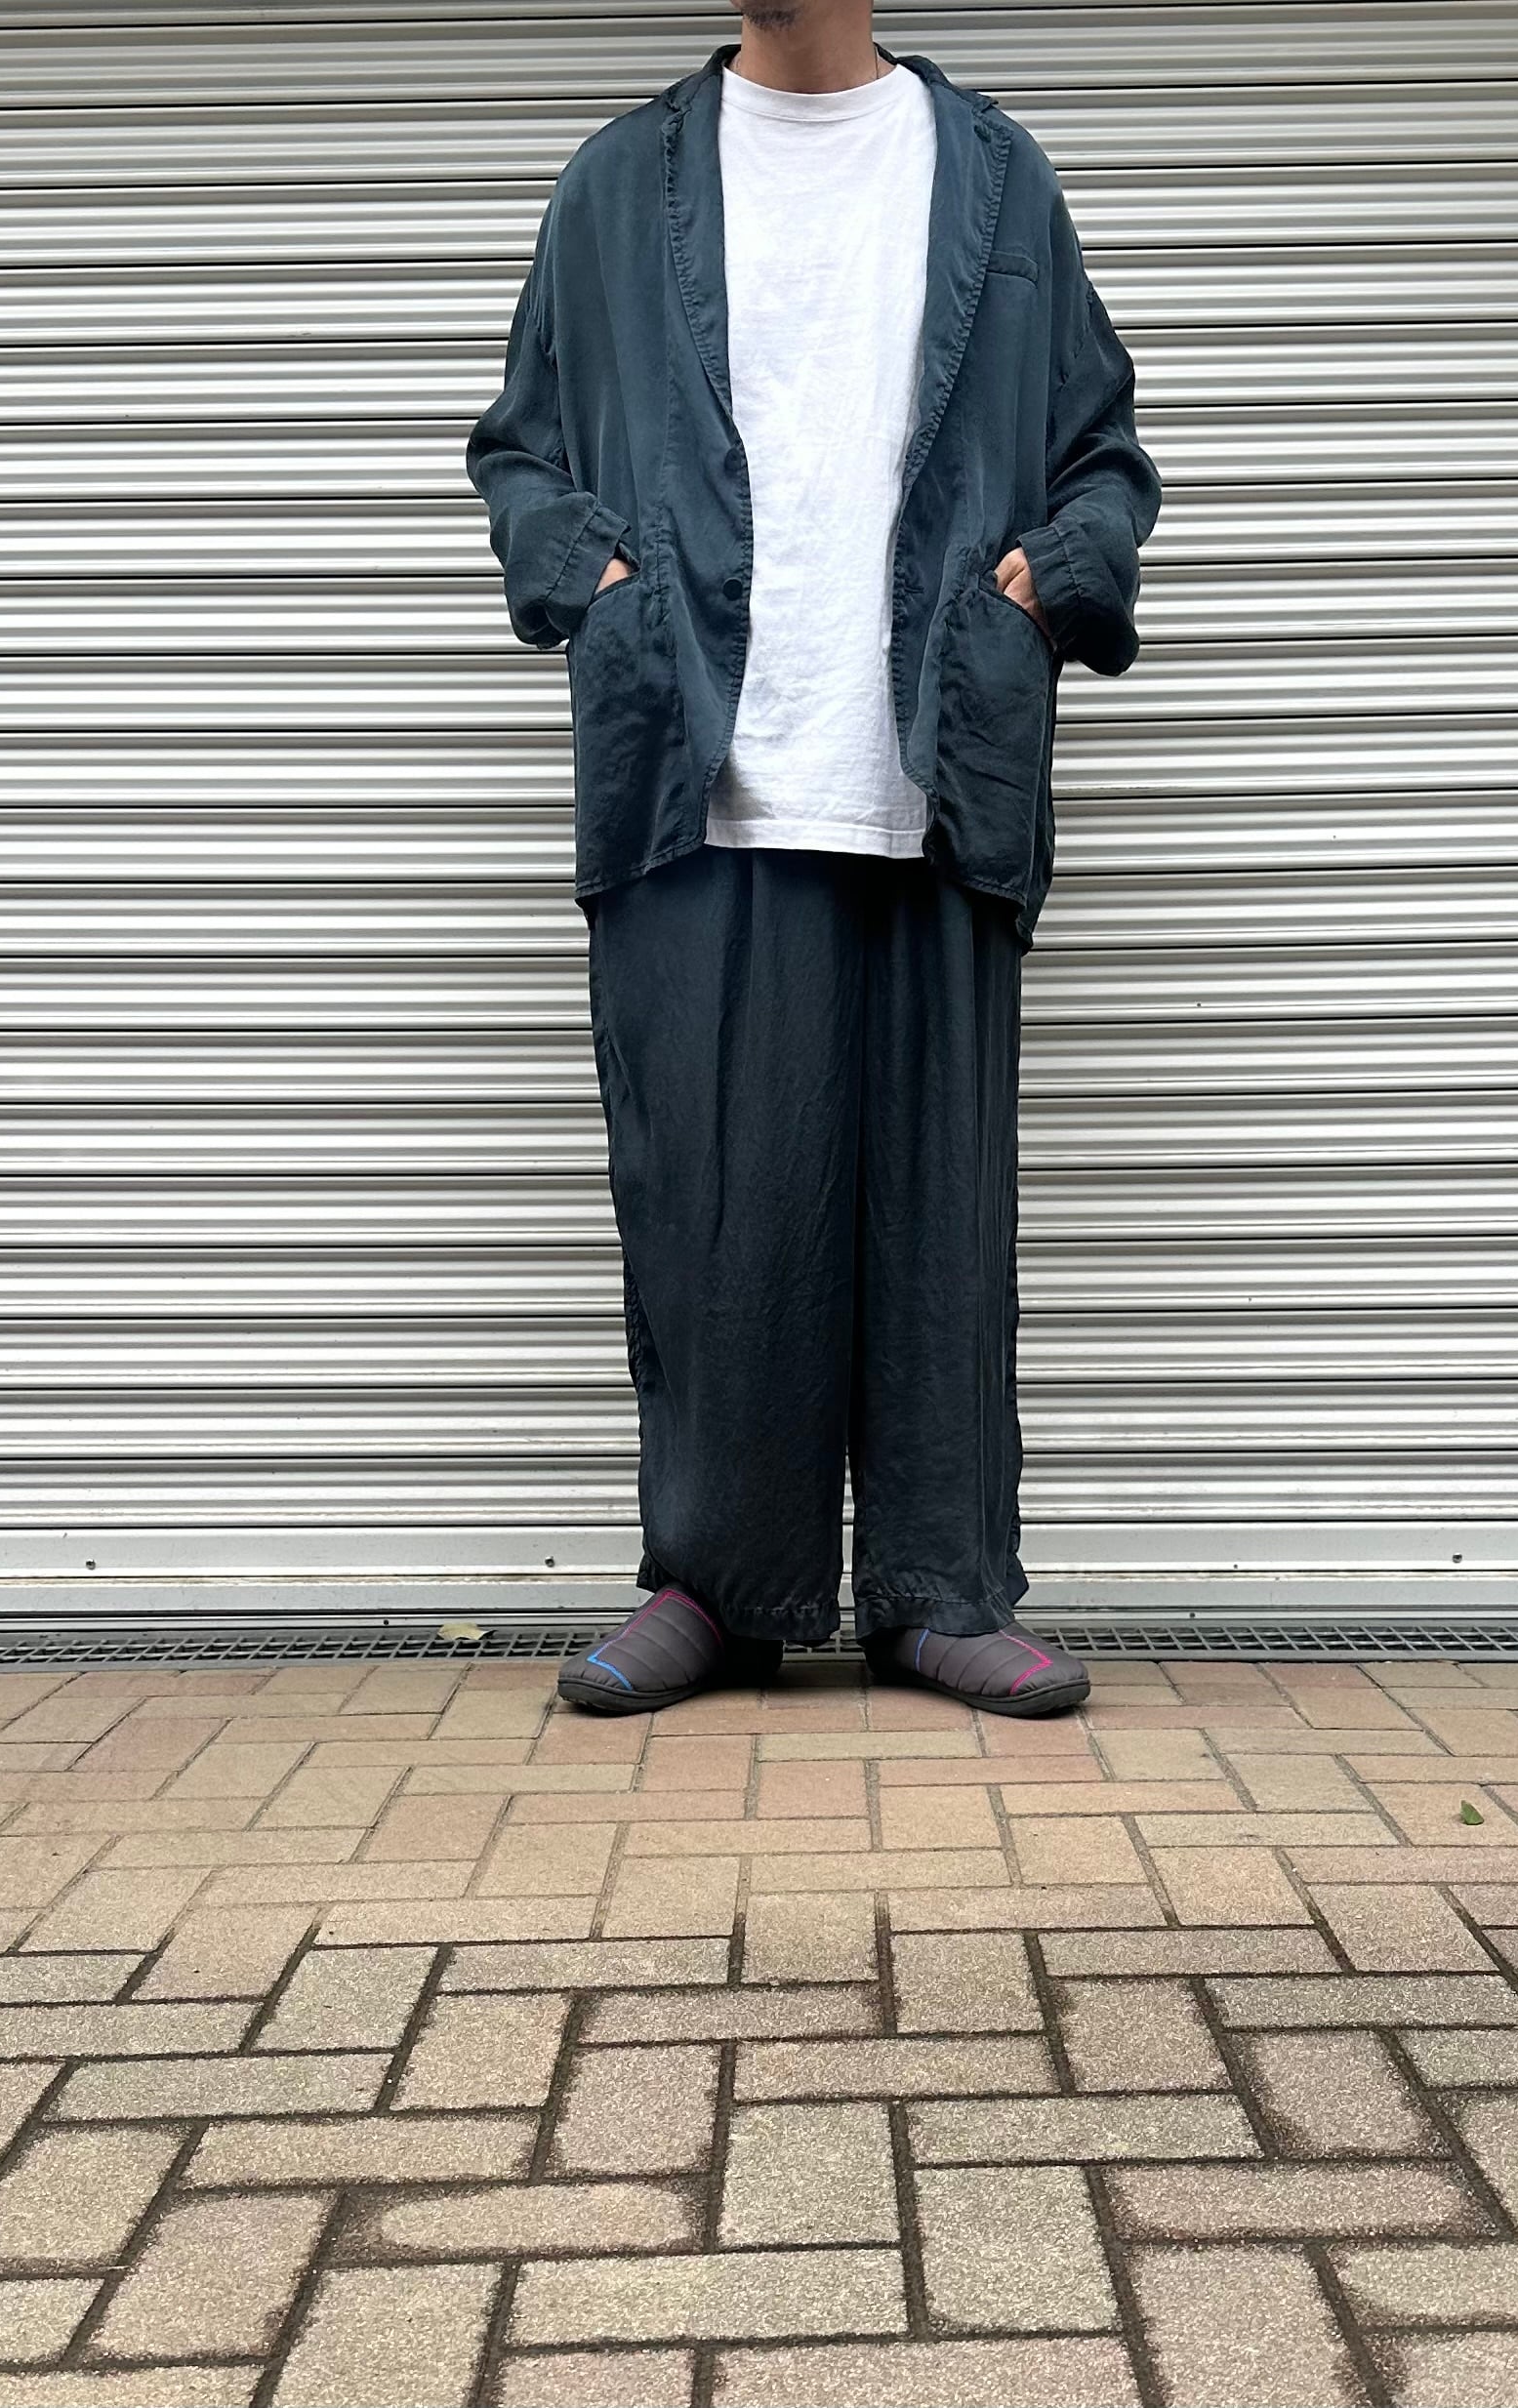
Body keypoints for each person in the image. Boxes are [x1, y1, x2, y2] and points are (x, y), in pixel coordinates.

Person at [468, 0, 1160, 1717]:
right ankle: (721, 1585)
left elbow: (1103, 457)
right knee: (721, 1209)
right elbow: (520, 452)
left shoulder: (994, 177)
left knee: (939, 1213)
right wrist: (597, 581)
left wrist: (1047, 582)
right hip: (697, 761)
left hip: (935, 750)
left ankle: (940, 1589)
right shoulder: (617, 185)